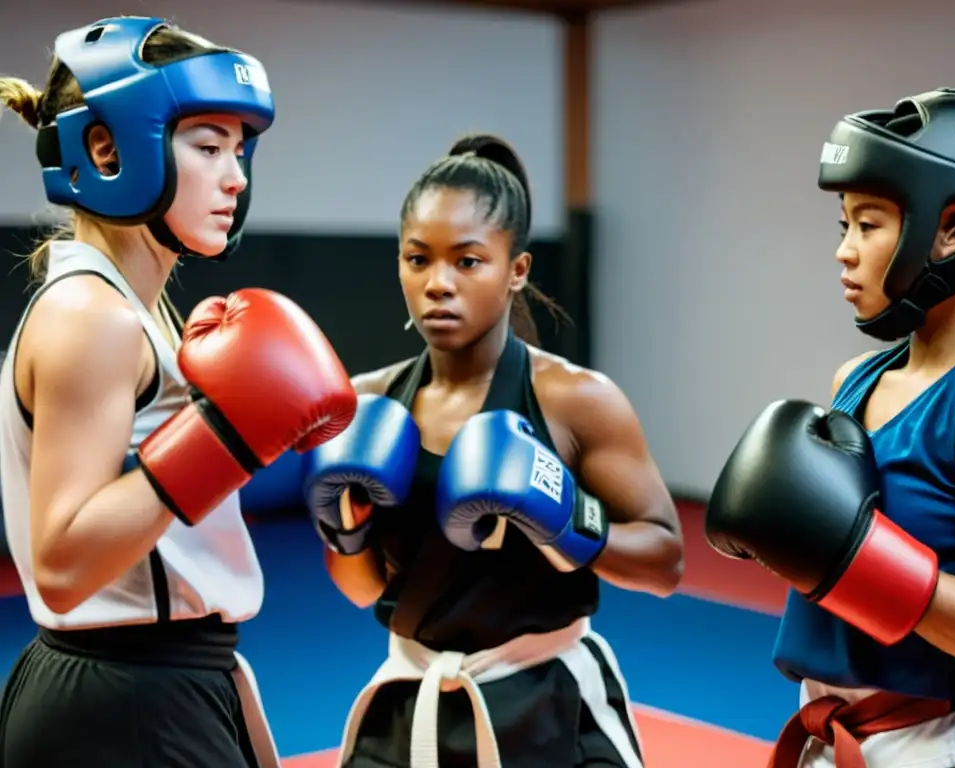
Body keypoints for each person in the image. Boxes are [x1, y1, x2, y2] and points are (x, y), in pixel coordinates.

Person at [0, 16, 358, 767]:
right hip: (123, 700)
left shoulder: (131, 308)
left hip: (165, 680)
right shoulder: (89, 316)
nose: (236, 177)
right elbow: (63, 564)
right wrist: (228, 437)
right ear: (108, 149)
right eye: (207, 147)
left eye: (238, 150)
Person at [301, 134, 685, 767]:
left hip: (547, 706)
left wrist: (565, 523)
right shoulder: (367, 404)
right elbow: (364, 590)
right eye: (418, 260)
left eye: (468, 261)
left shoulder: (575, 400)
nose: (438, 284)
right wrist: (343, 535)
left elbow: (665, 562)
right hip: (413, 700)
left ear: (517, 271)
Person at [704, 87, 955, 768]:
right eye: (842, 225)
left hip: (954, 748)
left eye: (868, 225)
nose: (844, 253)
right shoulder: (855, 379)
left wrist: (856, 564)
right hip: (835, 735)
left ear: (954, 228)